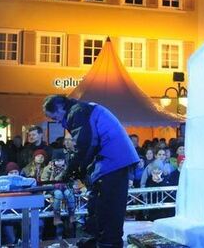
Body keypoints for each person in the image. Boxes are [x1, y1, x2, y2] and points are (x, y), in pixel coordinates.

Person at [43, 94, 139, 248]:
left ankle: (108, 243)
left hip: (113, 162)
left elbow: (84, 145)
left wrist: (69, 172)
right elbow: (88, 146)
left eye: (56, 118)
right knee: (97, 205)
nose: (59, 123)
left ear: (61, 108)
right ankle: (97, 240)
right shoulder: (83, 109)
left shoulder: (78, 112)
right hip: (113, 161)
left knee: (108, 208)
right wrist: (78, 172)